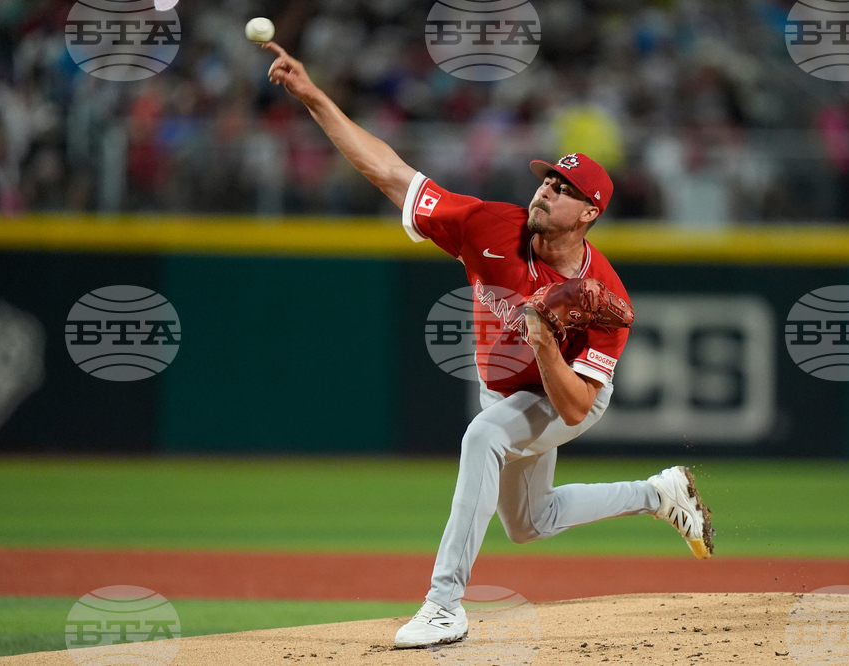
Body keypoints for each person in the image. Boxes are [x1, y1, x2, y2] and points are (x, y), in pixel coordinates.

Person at [264, 41, 714, 649]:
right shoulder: (489, 226)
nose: (546, 191)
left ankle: (444, 604)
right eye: (548, 179)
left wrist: (544, 339)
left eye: (563, 189)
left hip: (568, 391)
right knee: (531, 522)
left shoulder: (603, 298)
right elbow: (391, 173)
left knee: (485, 435)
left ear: (589, 214)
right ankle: (661, 493)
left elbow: (578, 407)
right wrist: (315, 97)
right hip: (505, 387)